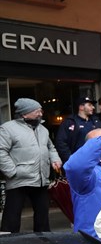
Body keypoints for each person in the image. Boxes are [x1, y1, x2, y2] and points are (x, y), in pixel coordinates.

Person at [0, 98, 62, 233]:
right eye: (36, 111)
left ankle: (42, 243)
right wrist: (12, 172)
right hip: (19, 179)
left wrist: (55, 159)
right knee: (12, 217)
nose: (40, 114)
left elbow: (51, 147)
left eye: (40, 110)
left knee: (42, 216)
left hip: (41, 179)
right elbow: (1, 151)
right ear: (24, 114)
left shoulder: (43, 129)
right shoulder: (8, 128)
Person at [55, 97, 99, 162]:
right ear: (81, 107)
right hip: (77, 160)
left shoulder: (95, 121)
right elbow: (61, 142)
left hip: (95, 159)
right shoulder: (69, 122)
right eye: (90, 105)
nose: (93, 107)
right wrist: (70, 159)